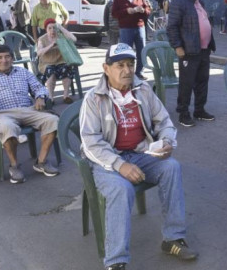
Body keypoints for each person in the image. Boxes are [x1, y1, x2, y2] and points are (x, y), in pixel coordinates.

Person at [80, 43, 198, 270]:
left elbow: (163, 121)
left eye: (130, 64)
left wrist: (166, 141)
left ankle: (173, 238)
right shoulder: (94, 98)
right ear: (106, 68)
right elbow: (90, 142)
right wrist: (119, 164)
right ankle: (116, 261)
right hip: (107, 161)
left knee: (171, 167)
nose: (126, 70)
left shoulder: (142, 90)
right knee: (121, 189)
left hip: (140, 153)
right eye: (120, 65)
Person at [0, 44, 60, 184]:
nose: (3, 60)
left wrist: (40, 97)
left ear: (12, 59)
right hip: (3, 113)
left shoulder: (23, 72)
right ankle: (14, 166)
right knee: (7, 127)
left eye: (7, 57)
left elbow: (39, 87)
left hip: (28, 110)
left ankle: (41, 162)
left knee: (53, 120)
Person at [166, 0, 216, 127]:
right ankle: (183, 113)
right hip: (189, 50)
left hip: (203, 49)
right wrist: (178, 46)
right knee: (187, 83)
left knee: (202, 81)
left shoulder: (199, 1)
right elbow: (172, 27)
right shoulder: (179, 2)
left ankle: (199, 110)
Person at [112, 0, 151, 81]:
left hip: (139, 27)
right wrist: (126, 11)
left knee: (141, 50)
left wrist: (143, 11)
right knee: (126, 51)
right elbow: (114, 14)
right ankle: (127, 73)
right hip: (125, 28)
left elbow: (148, 11)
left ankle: (139, 72)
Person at [36, 18, 78, 104]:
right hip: (46, 63)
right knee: (51, 72)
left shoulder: (60, 36)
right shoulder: (42, 39)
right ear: (46, 29)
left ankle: (66, 95)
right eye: (50, 28)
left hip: (60, 62)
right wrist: (51, 45)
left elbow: (74, 39)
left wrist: (61, 28)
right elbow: (39, 53)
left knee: (67, 68)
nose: (52, 30)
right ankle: (51, 97)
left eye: (54, 28)